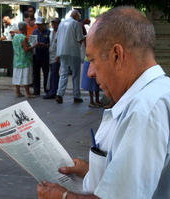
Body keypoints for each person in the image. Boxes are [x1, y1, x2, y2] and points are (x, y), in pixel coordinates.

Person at [37, 6, 170, 199]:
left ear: (117, 55)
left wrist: (63, 196)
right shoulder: (157, 93)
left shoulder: (145, 110)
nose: (90, 72)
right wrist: (89, 170)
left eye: (92, 60)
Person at [55, 10, 84, 104]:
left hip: (62, 52)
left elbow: (56, 39)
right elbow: (80, 39)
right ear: (75, 16)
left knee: (64, 74)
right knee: (75, 75)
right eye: (79, 16)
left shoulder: (61, 23)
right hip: (73, 52)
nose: (79, 18)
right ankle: (76, 96)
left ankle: (59, 94)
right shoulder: (76, 24)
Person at [12, 22, 37, 98]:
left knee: (17, 76)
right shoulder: (23, 37)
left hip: (17, 59)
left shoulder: (15, 37)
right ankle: (28, 93)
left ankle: (18, 91)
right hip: (24, 60)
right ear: (24, 28)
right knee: (25, 76)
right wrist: (34, 46)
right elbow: (26, 49)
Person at [43, 18, 61, 99]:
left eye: (56, 23)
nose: (54, 25)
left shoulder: (60, 33)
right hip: (50, 55)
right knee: (53, 74)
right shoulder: (51, 32)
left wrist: (58, 56)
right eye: (53, 23)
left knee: (54, 74)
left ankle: (52, 92)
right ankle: (54, 90)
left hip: (56, 56)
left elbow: (61, 45)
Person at [32, 16, 50, 96]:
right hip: (36, 55)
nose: (39, 26)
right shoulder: (34, 32)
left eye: (40, 24)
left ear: (43, 24)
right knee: (36, 73)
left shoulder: (48, 32)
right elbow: (32, 42)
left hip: (45, 55)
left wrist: (44, 45)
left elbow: (51, 43)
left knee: (46, 73)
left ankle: (46, 89)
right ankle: (36, 90)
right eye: (38, 24)